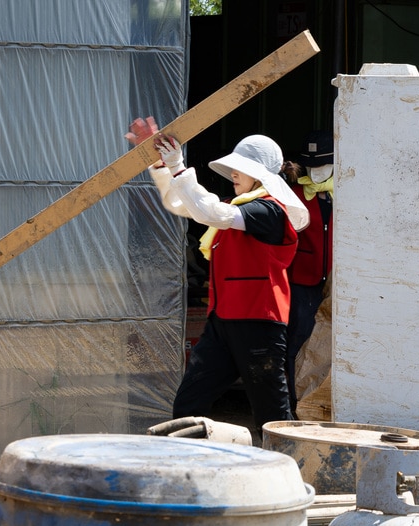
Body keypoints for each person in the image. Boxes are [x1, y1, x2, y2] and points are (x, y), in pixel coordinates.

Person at [126, 116, 311, 428]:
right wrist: (162, 165)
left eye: (242, 168)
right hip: (223, 321)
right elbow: (183, 204)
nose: (234, 173)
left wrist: (178, 166)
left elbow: (207, 210)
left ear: (260, 175)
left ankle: (291, 472)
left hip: (259, 324)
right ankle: (185, 469)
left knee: (272, 415)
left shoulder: (269, 210)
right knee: (188, 403)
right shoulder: (238, 208)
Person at [284, 130, 334, 412]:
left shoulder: (348, 193)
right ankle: (294, 403)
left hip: (337, 283)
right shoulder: (292, 196)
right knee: (298, 341)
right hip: (302, 280)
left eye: (324, 166)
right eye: (311, 167)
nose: (317, 173)